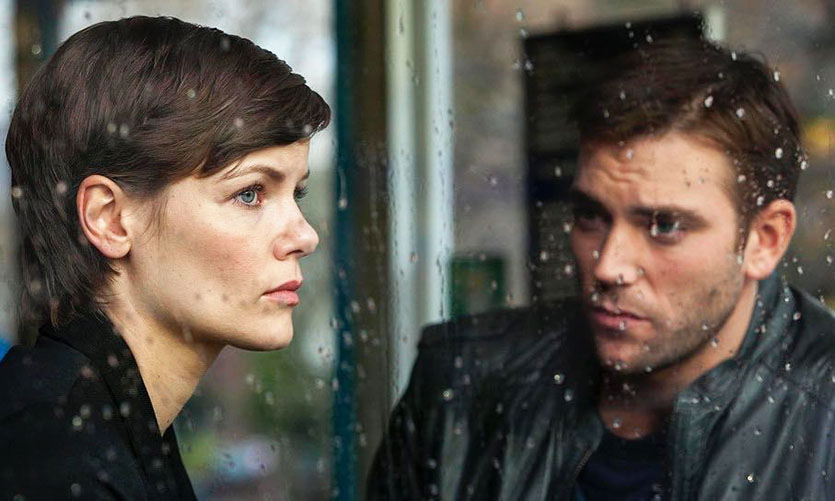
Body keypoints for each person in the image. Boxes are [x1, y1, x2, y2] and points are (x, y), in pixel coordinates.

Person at [369, 38, 835, 500]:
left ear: (764, 239)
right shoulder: (462, 386)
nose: (609, 266)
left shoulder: (823, 416)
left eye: (664, 226)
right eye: (591, 215)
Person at [0, 16, 329, 498]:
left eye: (296, 194)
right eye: (250, 193)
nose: (305, 236)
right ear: (110, 218)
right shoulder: (53, 460)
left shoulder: (104, 427)